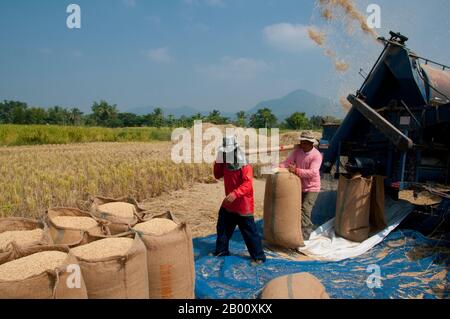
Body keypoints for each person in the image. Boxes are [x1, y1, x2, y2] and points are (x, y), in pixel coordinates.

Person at [213, 135, 266, 265]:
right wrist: (217, 162)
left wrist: (235, 194)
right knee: (223, 227)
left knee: (249, 232)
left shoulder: (244, 164)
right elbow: (217, 175)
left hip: (243, 204)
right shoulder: (224, 160)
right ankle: (221, 251)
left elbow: (247, 185)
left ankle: (258, 257)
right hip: (229, 204)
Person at [280, 131, 323, 240]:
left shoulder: (316, 155)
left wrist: (296, 170)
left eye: (304, 142)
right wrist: (278, 167)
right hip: (299, 186)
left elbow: (313, 172)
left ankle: (305, 237)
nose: (301, 144)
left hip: (312, 187)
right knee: (295, 209)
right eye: (301, 141)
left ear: (310, 143)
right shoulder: (297, 152)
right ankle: (296, 233)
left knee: (304, 210)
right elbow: (287, 162)